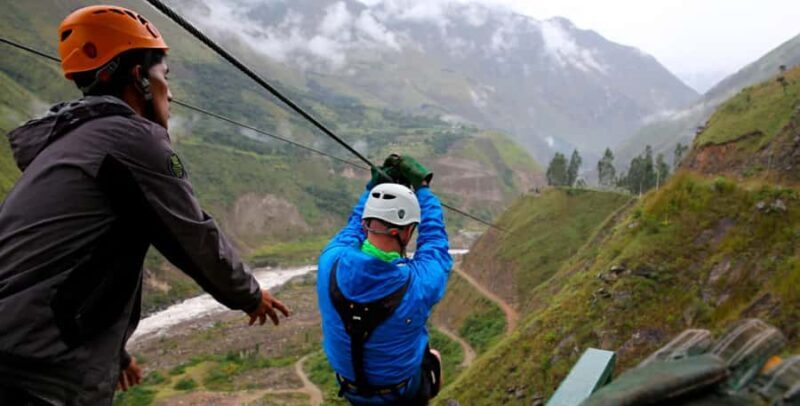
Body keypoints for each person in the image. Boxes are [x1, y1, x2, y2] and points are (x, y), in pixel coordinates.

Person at [0, 5, 289, 405]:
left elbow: (64, 263)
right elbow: (192, 234)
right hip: (43, 372)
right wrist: (250, 295)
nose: (169, 92)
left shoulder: (69, 145)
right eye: (163, 76)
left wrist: (116, 354)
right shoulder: (134, 140)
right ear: (138, 76)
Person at [317, 155, 453, 405]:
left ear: (366, 223)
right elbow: (435, 242)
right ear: (407, 231)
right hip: (401, 392)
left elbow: (352, 229)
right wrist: (423, 189)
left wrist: (371, 190)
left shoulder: (330, 261)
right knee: (433, 357)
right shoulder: (419, 284)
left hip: (351, 389)